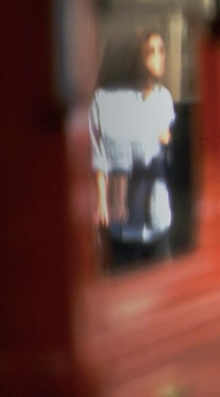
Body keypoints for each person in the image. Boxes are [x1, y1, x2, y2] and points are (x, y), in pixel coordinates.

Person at [89, 29, 176, 271]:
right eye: (152, 52)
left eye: (161, 51)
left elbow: (161, 139)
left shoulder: (162, 98)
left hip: (156, 220)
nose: (160, 58)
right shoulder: (104, 101)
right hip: (121, 226)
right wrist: (102, 204)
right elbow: (100, 157)